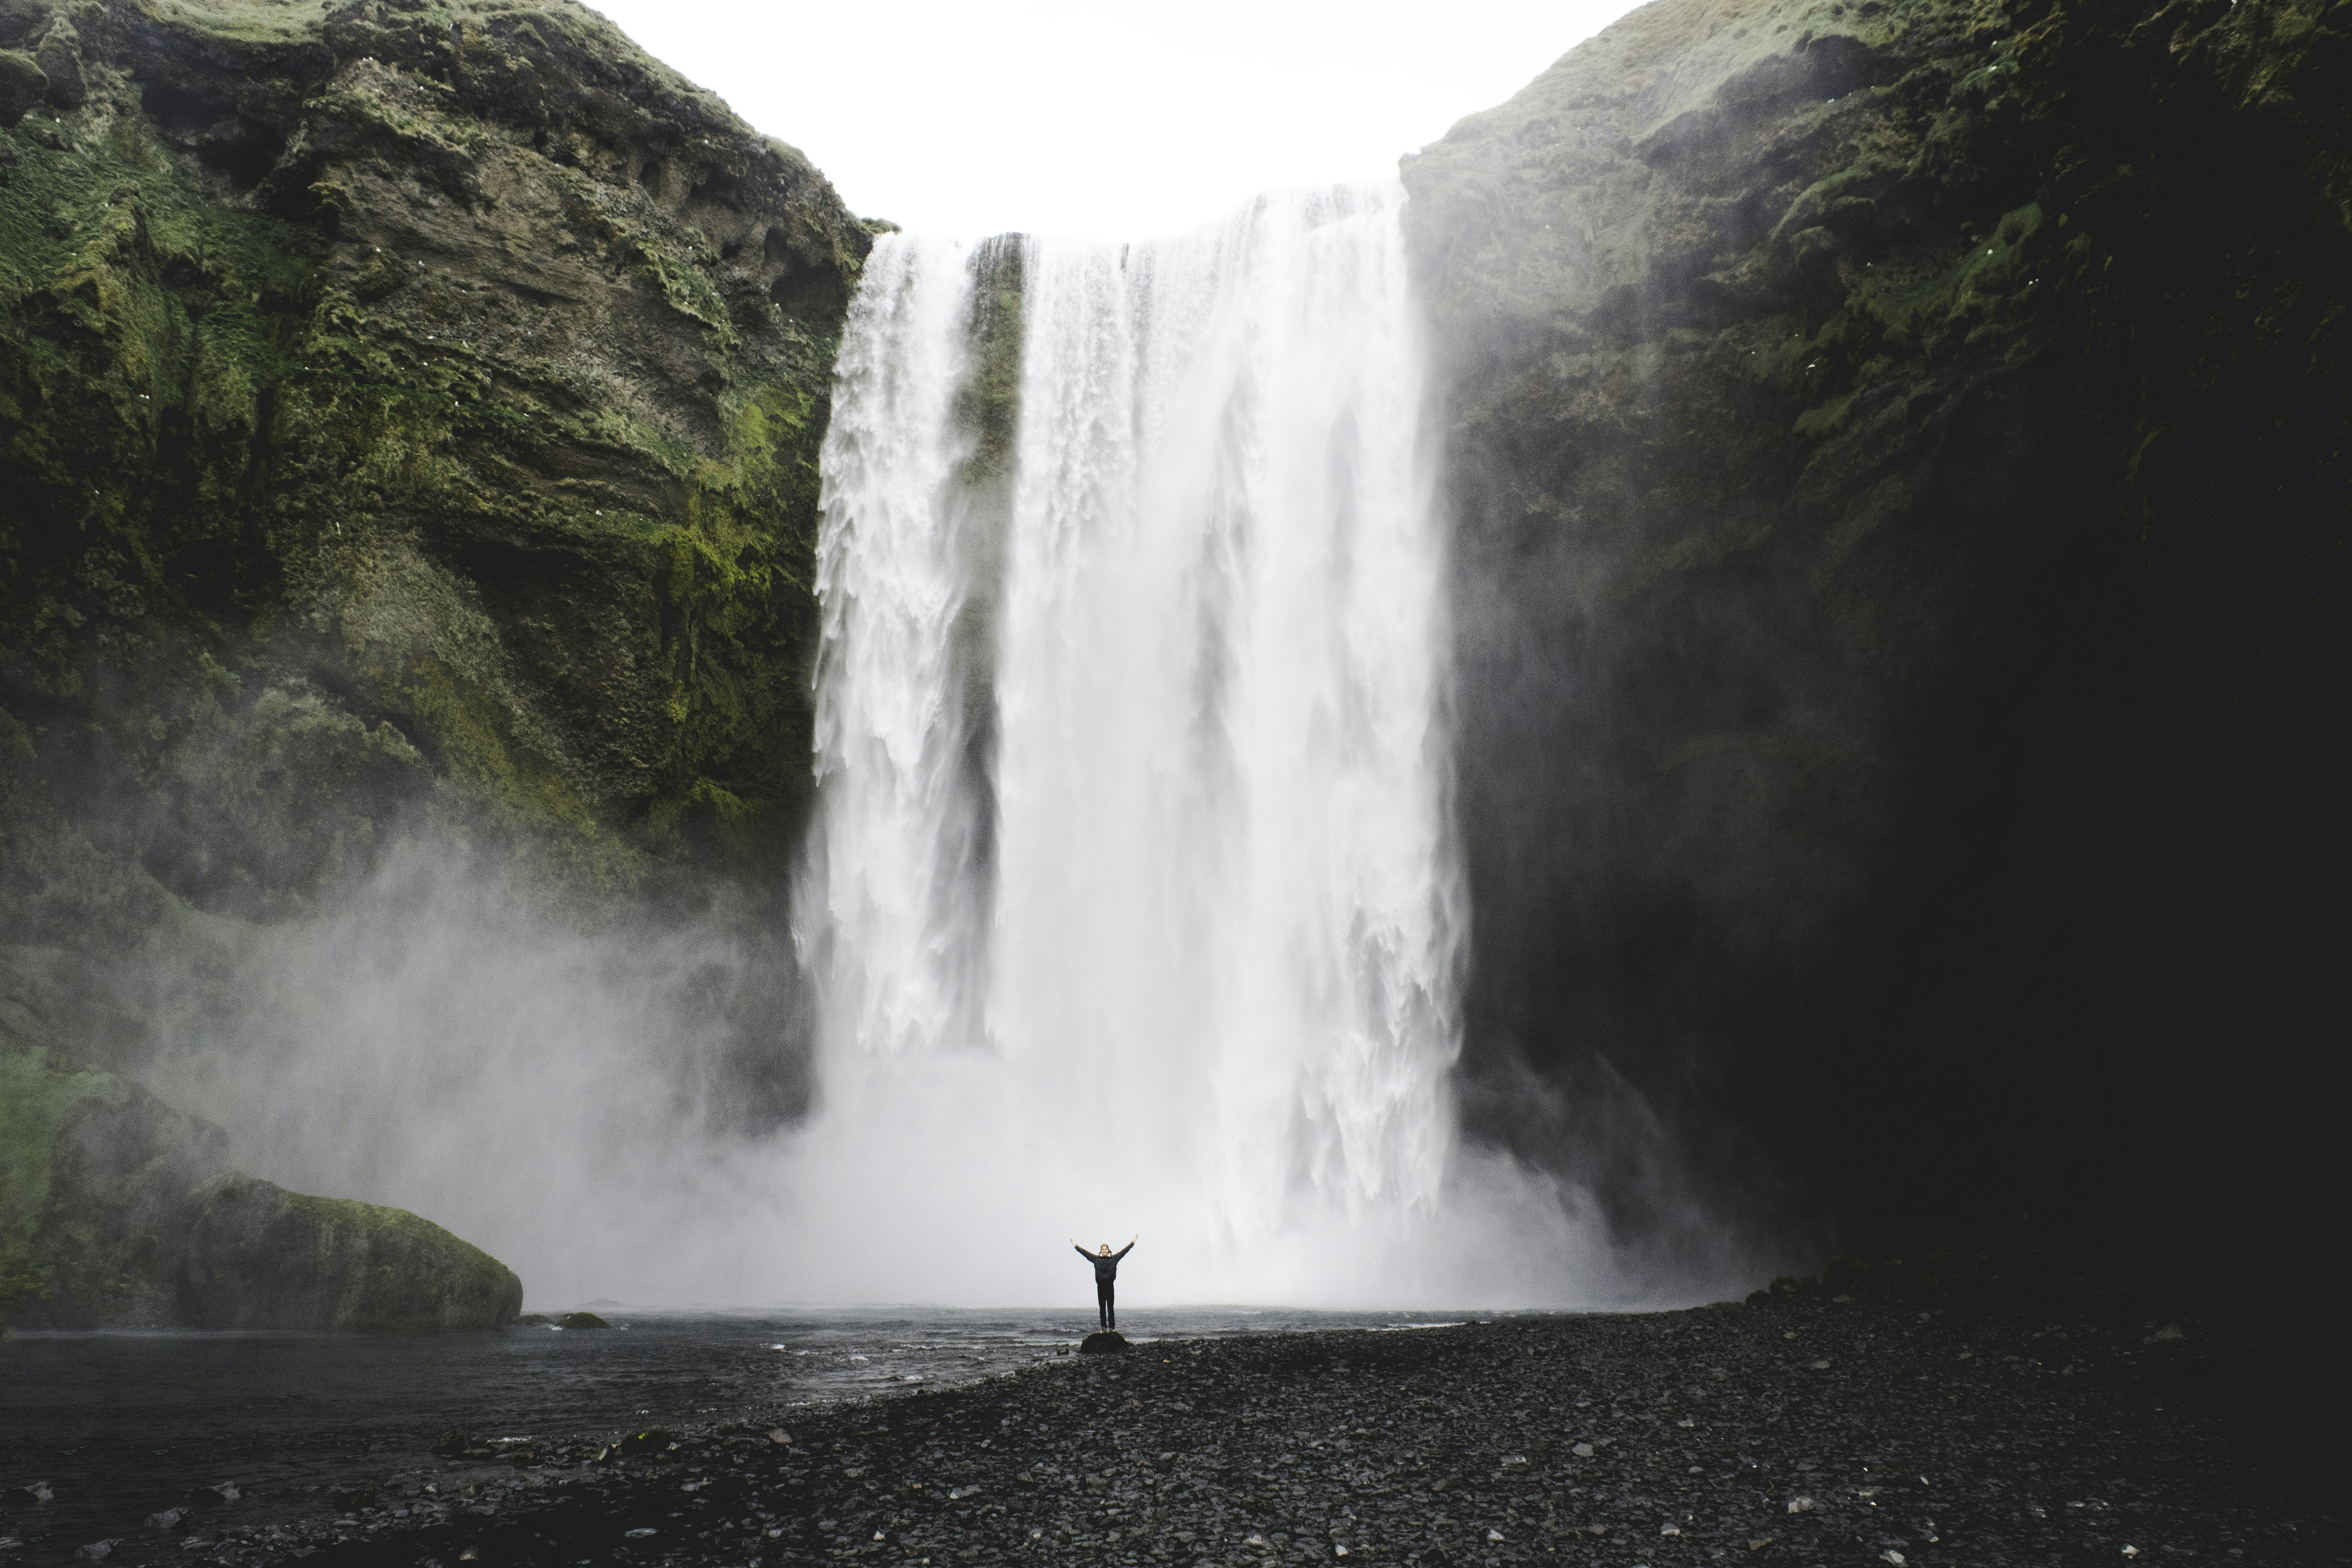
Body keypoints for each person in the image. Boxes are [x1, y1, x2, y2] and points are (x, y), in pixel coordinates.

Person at [1071, 1234, 1137, 1330]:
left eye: (1106, 1249)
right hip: (1101, 1286)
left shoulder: (1114, 1259)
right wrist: (1076, 1246)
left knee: (1110, 1308)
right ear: (1101, 1251)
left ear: (1109, 1251)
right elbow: (1086, 1254)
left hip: (1110, 1286)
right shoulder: (1096, 1259)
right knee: (1102, 1309)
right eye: (1103, 1250)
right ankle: (1104, 1327)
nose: (1105, 1251)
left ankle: (1112, 1328)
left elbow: (1124, 1252)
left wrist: (1132, 1243)